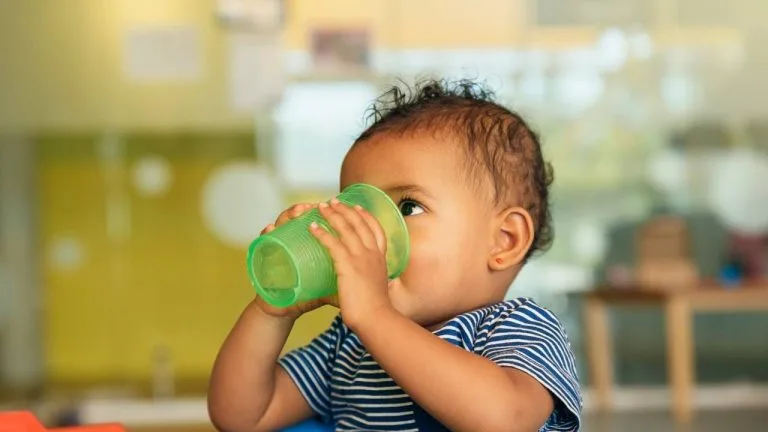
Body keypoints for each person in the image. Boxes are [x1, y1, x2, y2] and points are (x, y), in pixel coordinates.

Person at [208, 79, 582, 432]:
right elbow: (242, 416)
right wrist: (271, 311)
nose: (374, 233)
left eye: (407, 208)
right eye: (361, 210)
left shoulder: (519, 328)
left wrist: (374, 315)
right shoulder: (349, 344)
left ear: (504, 240)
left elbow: (506, 419)